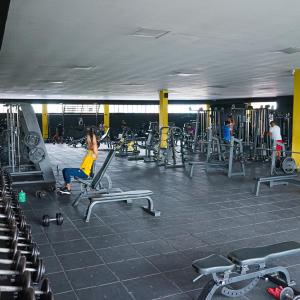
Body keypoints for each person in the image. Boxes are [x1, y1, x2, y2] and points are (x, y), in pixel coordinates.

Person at [59, 127, 98, 195]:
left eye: (89, 141)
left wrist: (93, 135)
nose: (87, 141)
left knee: (67, 172)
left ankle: (68, 189)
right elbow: (89, 142)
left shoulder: (94, 154)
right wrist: (89, 134)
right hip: (81, 170)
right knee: (64, 170)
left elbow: (94, 144)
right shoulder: (89, 151)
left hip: (84, 173)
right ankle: (66, 185)